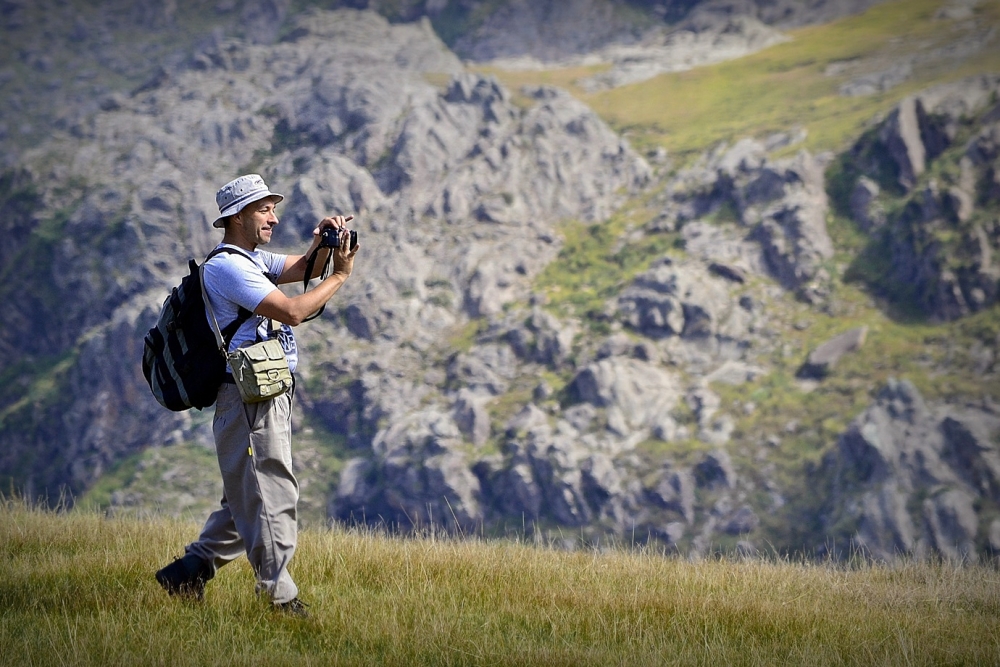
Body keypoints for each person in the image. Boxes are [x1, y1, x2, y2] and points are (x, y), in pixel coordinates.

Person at [154, 173, 359, 617]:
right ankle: (280, 599)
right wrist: (340, 275)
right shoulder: (228, 267)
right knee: (272, 493)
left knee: (248, 496)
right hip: (248, 398)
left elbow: (301, 269)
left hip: (262, 395)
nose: (274, 216)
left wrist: (324, 244)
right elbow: (293, 310)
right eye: (264, 209)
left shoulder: (249, 260)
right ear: (238, 216)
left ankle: (189, 570)